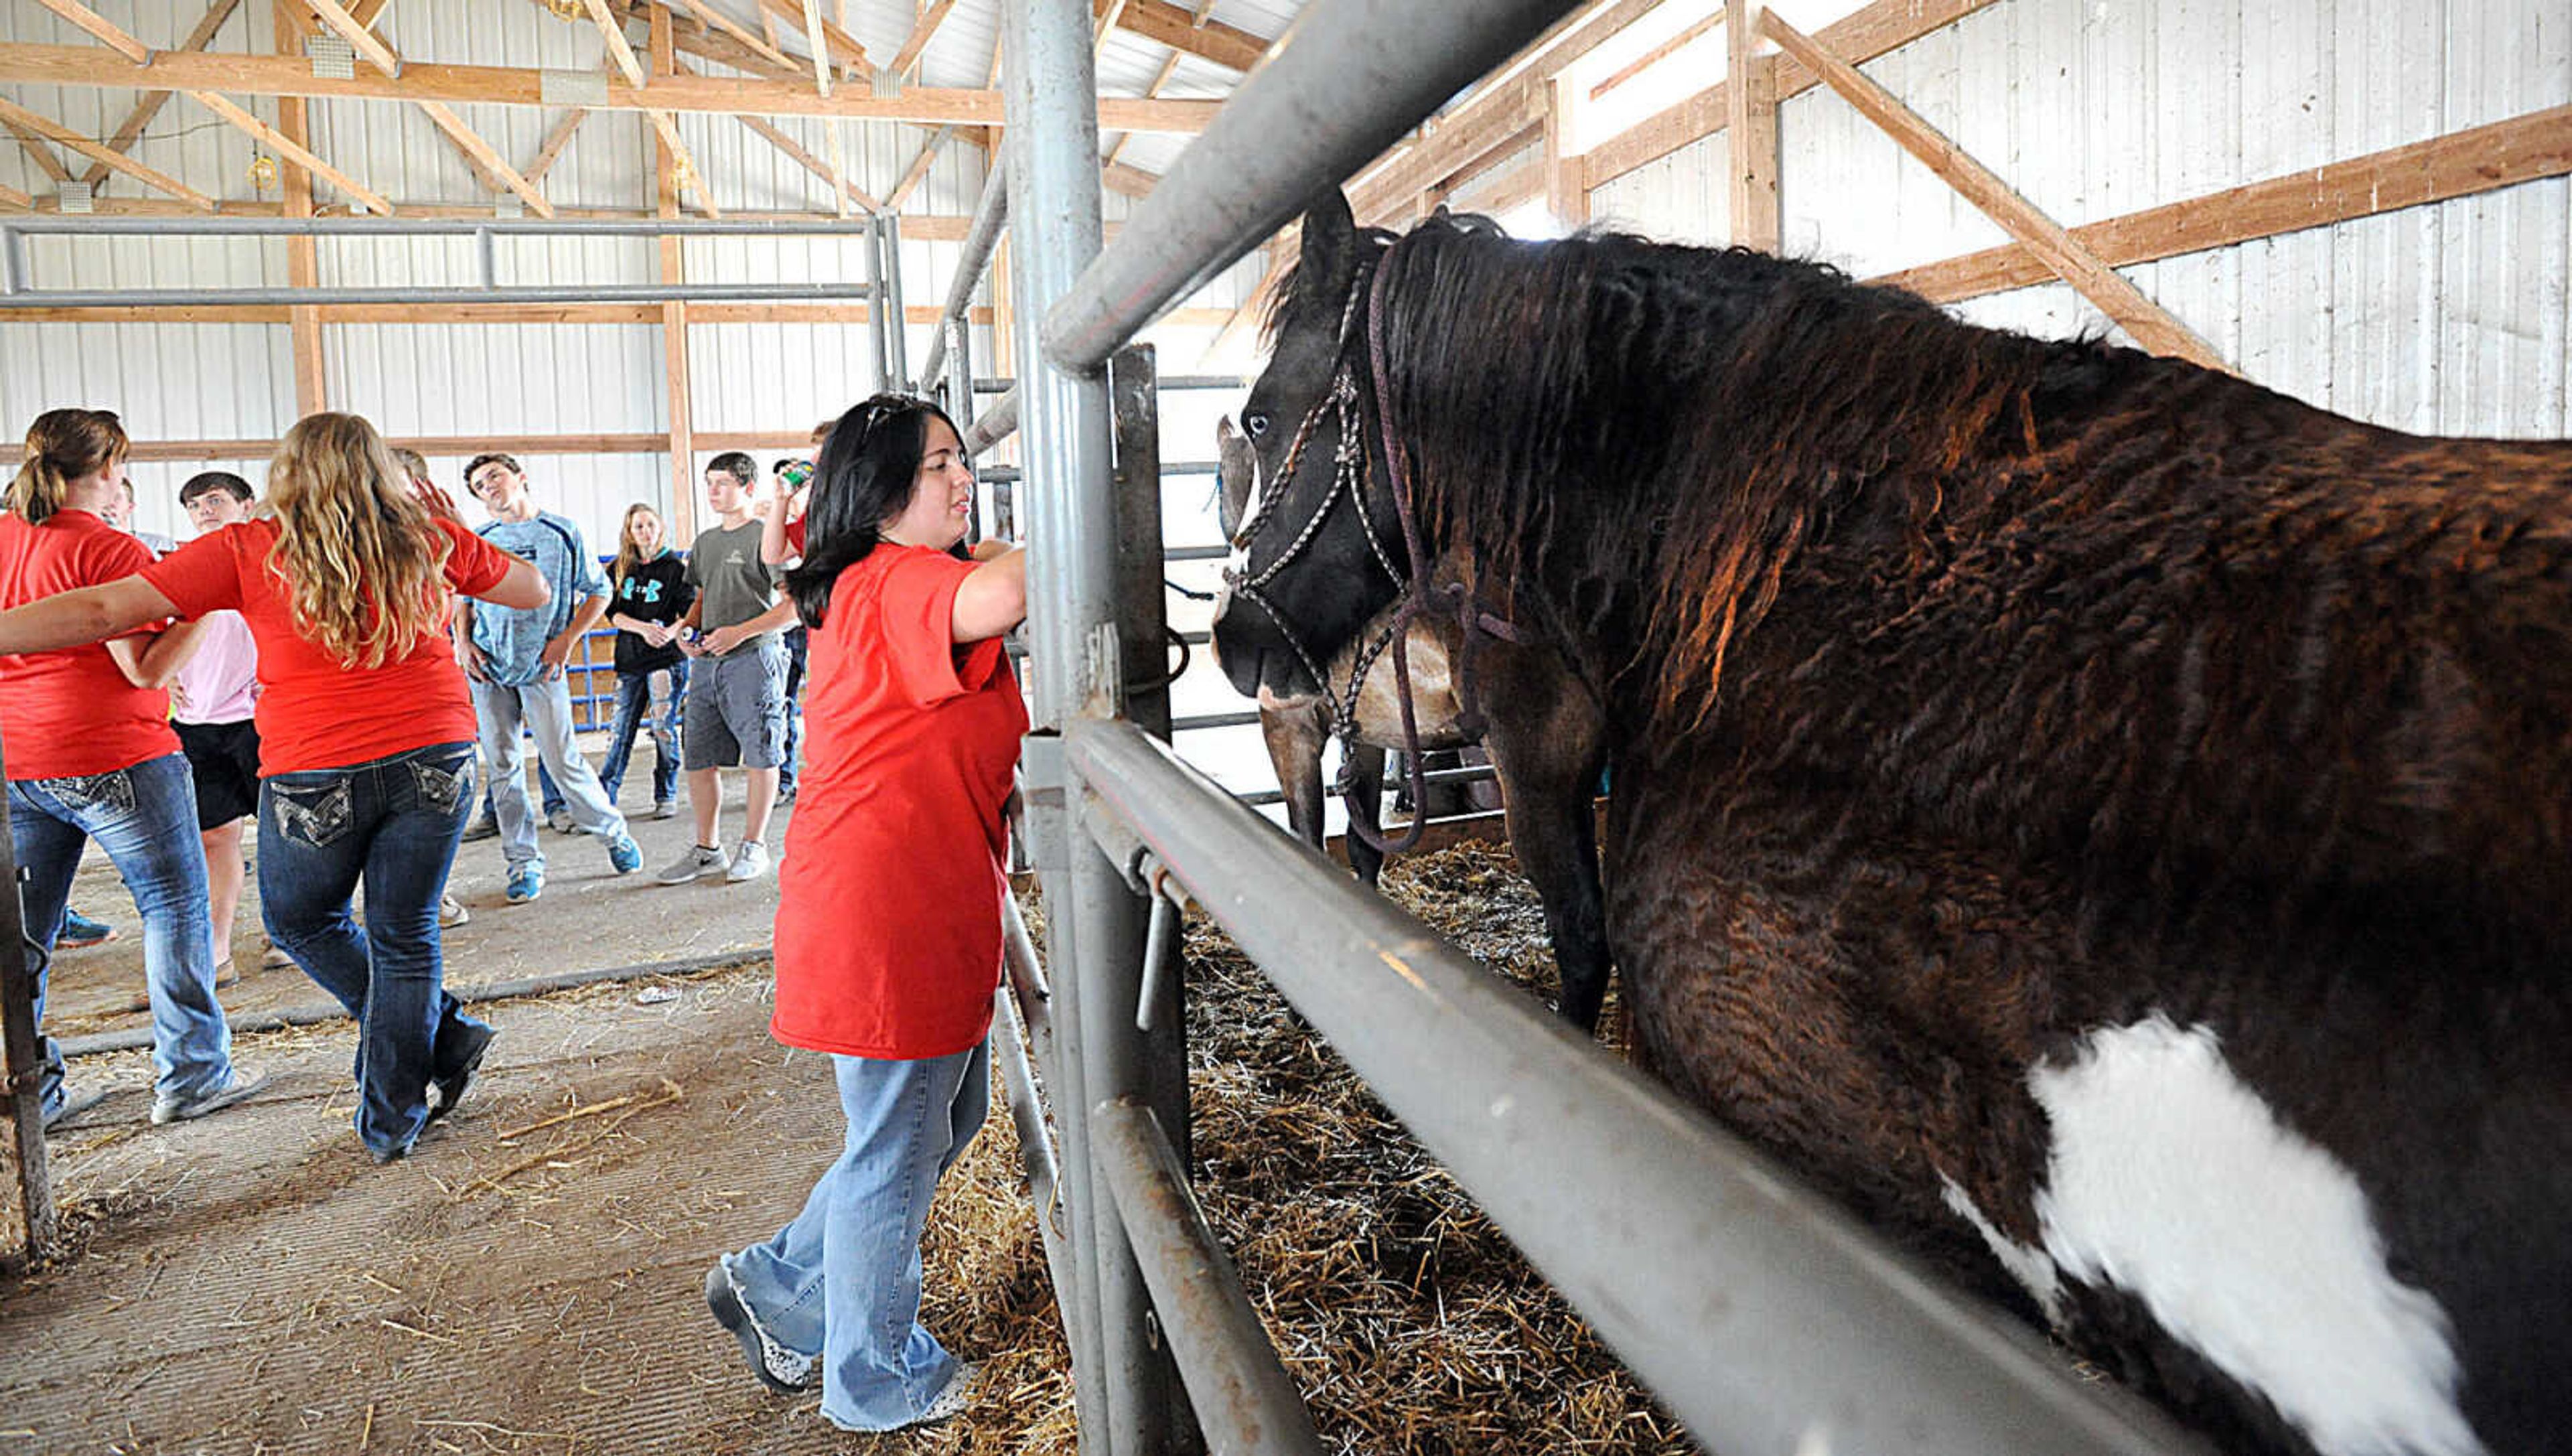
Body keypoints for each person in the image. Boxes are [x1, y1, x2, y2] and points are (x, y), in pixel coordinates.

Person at [0, 413, 547, 1163]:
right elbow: (532, 589)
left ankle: (440, 1041)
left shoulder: (248, 546)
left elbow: (101, 610)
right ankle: (396, 1111)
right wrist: (453, 528)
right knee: (405, 933)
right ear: (382, 471)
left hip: (314, 767)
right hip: (437, 756)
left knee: (300, 921)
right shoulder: (428, 538)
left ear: (285, 474)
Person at [705, 393, 1025, 1432]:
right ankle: (875, 1374)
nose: (962, 478)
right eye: (939, 464)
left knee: (940, 1120)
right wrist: (1057, 508)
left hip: (909, 895)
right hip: (888, 908)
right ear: (881, 489)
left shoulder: (880, 579)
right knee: (894, 1149)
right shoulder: (897, 581)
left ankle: (782, 1284)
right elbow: (1015, 587)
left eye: (961, 458)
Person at [1, 408, 262, 1128]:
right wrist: (206, 602)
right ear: (112, 467)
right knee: (172, 907)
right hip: (113, 754)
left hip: (20, 757)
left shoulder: (3, 535)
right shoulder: (110, 550)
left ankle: (31, 1088)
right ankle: (193, 1071)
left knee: (29, 930)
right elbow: (147, 669)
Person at [457, 453, 642, 903]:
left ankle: (613, 832)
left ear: (521, 478)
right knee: (502, 767)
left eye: (495, 477)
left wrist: (568, 639)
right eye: (480, 485)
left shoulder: (561, 532)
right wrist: (463, 643)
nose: (490, 487)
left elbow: (600, 591)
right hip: (489, 669)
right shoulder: (480, 538)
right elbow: (460, 595)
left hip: (542, 666)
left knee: (562, 761)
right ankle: (523, 863)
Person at [656, 452, 798, 886]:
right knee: (697, 757)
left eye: (723, 483)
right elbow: (702, 598)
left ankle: (755, 845)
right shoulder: (705, 542)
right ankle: (707, 849)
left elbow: (794, 608)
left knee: (762, 754)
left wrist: (738, 633)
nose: (714, 492)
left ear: (748, 488)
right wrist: (686, 630)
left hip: (755, 657)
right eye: (709, 484)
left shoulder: (766, 537)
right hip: (708, 663)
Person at [171, 471, 265, 980]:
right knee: (214, 838)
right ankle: (218, 951)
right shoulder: (176, 564)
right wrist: (162, 681)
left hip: (259, 716)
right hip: (196, 721)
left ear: (246, 506)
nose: (204, 509)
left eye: (215, 499)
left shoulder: (268, 561)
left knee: (281, 833)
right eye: (193, 504)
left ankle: (286, 933)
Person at [388, 447, 474, 931]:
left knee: (428, 802)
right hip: (366, 694)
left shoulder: (434, 541)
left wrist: (456, 534)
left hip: (424, 695)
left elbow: (513, 588)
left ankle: (431, 891)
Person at [599, 503, 693, 818]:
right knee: (620, 731)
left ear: (661, 527)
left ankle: (666, 793)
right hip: (630, 661)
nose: (645, 531)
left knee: (664, 728)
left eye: (650, 524)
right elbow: (613, 614)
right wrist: (643, 630)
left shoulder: (677, 569)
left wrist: (670, 632)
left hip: (666, 659)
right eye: (638, 526)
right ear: (630, 531)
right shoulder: (618, 569)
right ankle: (604, 797)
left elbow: (690, 612)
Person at [762, 455, 815, 802]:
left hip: (805, 621)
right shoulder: (773, 521)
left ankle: (789, 779)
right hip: (785, 624)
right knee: (781, 703)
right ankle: (785, 778)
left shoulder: (814, 522)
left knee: (795, 701)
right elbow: (775, 566)